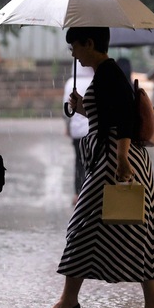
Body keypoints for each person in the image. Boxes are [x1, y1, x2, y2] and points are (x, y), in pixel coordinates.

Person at [37, 27, 154, 308]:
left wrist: (122, 160)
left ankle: (68, 301)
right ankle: (153, 303)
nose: (72, 52)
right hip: (114, 157)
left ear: (90, 43)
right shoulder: (106, 74)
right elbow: (110, 115)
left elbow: (123, 119)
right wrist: (82, 108)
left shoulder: (109, 74)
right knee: (139, 230)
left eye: (75, 45)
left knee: (82, 227)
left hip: (114, 161)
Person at [63, 62, 94, 203]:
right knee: (94, 162)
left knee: (79, 162)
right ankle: (91, 193)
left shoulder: (71, 83)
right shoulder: (96, 80)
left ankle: (77, 193)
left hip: (76, 131)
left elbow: (67, 108)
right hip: (93, 129)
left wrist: (68, 126)